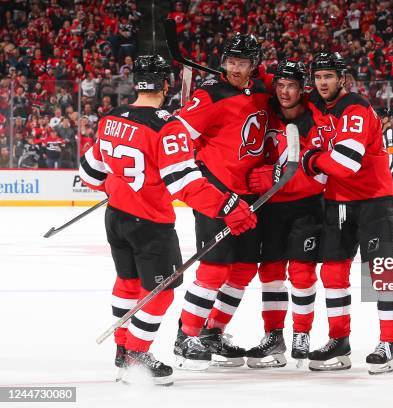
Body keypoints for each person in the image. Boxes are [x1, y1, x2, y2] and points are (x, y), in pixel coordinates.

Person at [78, 55, 256, 385]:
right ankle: (136, 355)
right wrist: (228, 205)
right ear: (164, 84)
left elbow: (89, 173)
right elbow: (185, 184)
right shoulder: (166, 125)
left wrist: (121, 187)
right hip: (150, 223)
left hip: (116, 218)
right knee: (160, 291)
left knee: (128, 284)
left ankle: (122, 350)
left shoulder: (110, 118)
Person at [173, 33, 270, 369]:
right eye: (230, 61)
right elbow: (176, 134)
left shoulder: (262, 91)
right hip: (215, 194)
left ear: (254, 65)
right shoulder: (209, 94)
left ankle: (213, 331)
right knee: (214, 269)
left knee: (243, 270)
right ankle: (186, 336)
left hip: (249, 197)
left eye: (242, 62)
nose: (235, 67)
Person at [303, 52, 393, 374]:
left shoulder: (355, 107)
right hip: (338, 202)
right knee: (332, 273)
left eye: (328, 77)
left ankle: (388, 342)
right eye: (318, 77)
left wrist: (312, 160)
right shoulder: (319, 107)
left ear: (342, 78)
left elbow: (346, 164)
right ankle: (339, 341)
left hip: (375, 200)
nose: (323, 83)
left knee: (383, 274)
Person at [242, 60, 325, 368]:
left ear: (302, 88)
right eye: (280, 86)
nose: (284, 91)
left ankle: (301, 334)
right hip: (272, 207)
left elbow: (320, 171)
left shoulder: (316, 117)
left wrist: (273, 176)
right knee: (271, 273)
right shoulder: (266, 115)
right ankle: (273, 336)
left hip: (307, 207)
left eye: (291, 85)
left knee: (302, 273)